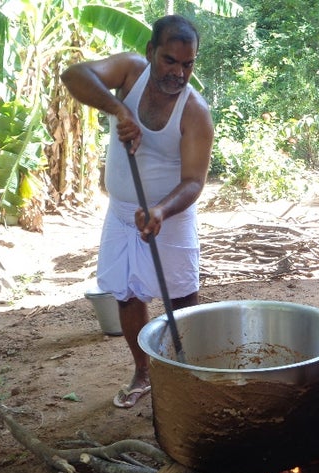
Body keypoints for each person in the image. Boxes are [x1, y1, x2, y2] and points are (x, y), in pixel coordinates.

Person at [62, 15, 214, 408]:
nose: (178, 73)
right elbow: (74, 74)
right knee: (129, 295)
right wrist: (119, 109)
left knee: (181, 297)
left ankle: (187, 370)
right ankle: (143, 372)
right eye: (169, 61)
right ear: (151, 53)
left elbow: (194, 182)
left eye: (188, 64)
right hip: (121, 212)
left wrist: (161, 210)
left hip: (171, 216)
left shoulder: (195, 111)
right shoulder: (130, 73)